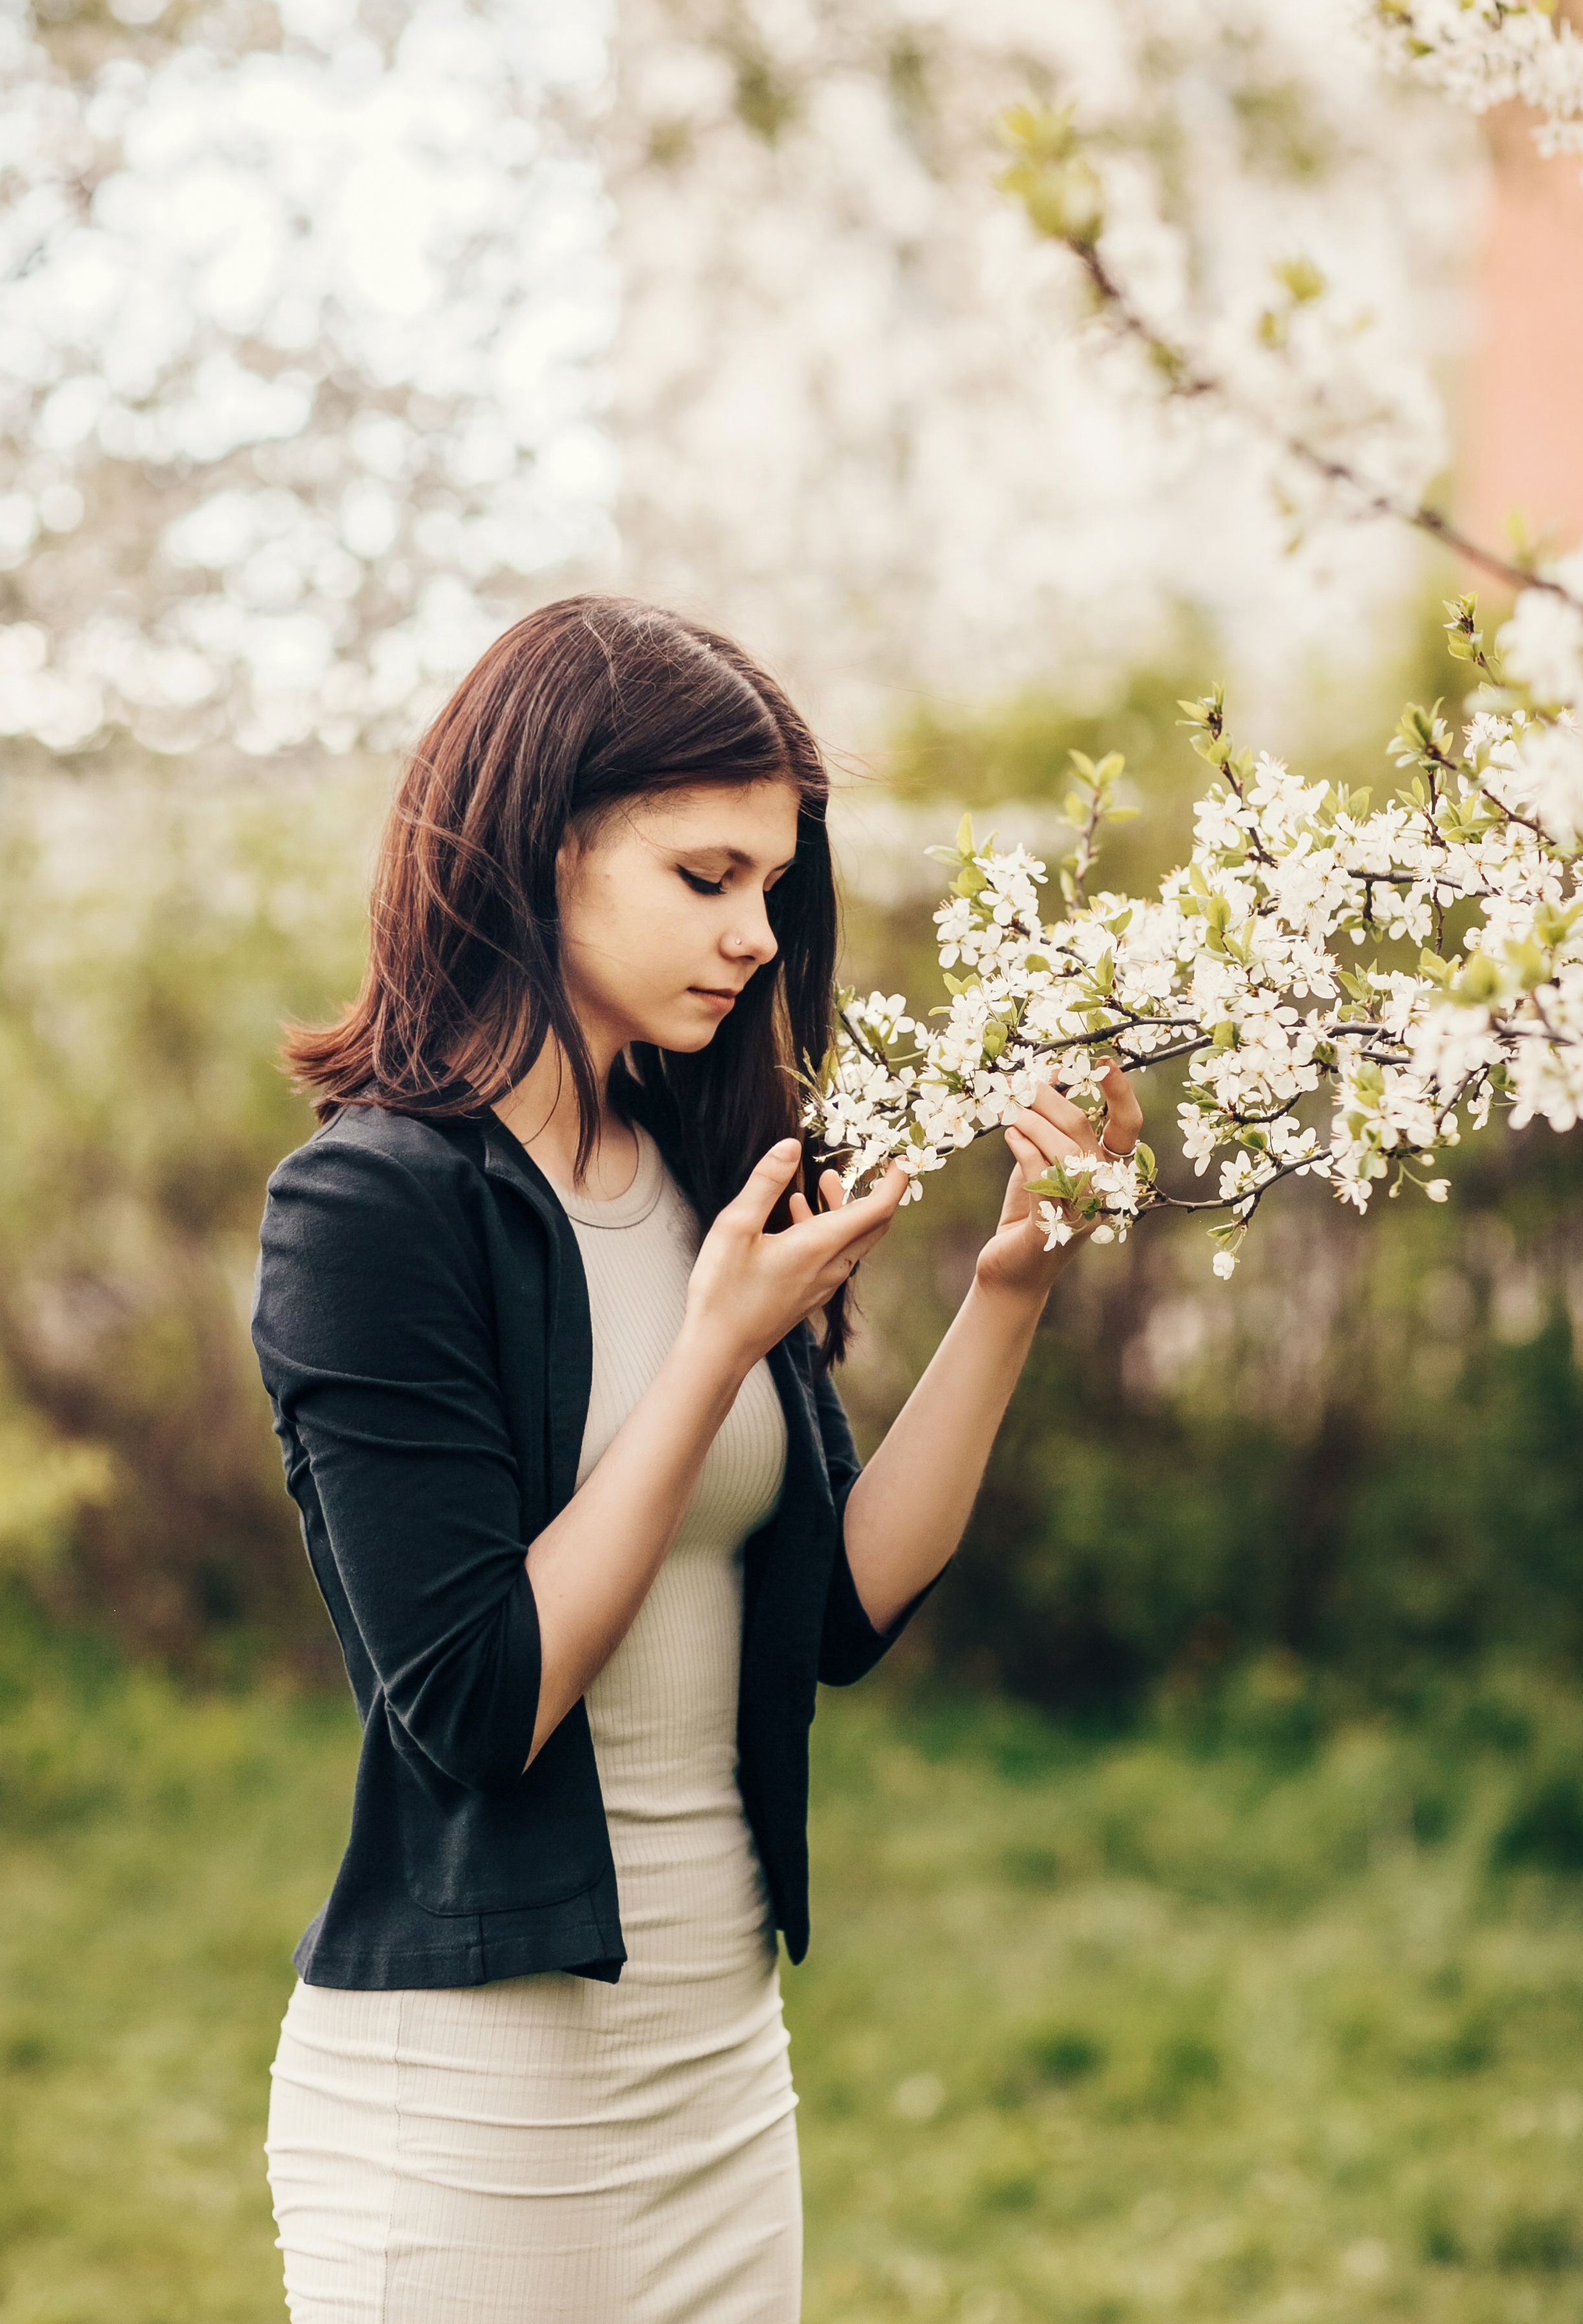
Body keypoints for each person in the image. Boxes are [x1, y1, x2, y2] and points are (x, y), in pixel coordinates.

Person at [251, 594, 1141, 2323]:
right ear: (545, 847)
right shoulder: (373, 1210)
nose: (752, 934)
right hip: (483, 2107)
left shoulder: (703, 1159)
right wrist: (715, 1346)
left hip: (723, 2068)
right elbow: (476, 1705)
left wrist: (1013, 1284)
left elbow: (841, 1607)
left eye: (772, 889)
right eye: (704, 875)